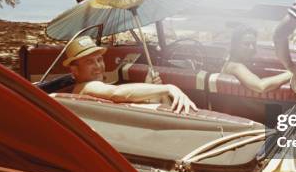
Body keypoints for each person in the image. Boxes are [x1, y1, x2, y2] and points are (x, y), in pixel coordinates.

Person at [63, 36, 197, 114]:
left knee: (161, 96)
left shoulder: (93, 88)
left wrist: (147, 87)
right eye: (89, 62)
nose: (98, 66)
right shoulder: (85, 87)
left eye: (99, 59)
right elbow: (116, 93)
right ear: (74, 70)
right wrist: (169, 88)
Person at [222, 25, 292, 93]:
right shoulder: (235, 66)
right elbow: (261, 86)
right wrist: (293, 72)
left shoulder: (234, 63)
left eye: (253, 44)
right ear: (235, 45)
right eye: (246, 44)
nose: (251, 48)